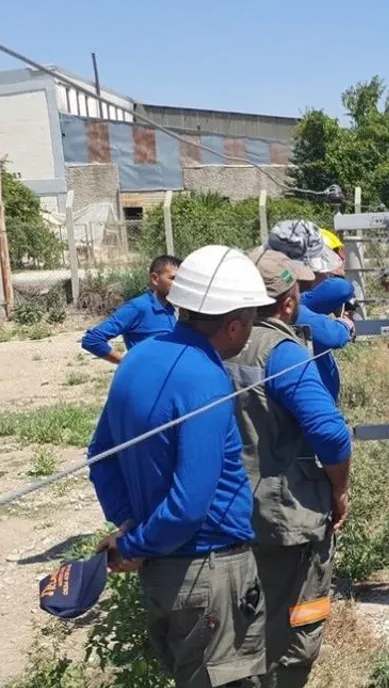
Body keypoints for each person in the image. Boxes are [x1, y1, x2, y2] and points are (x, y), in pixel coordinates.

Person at [86, 245, 274, 688]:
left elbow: (101, 455)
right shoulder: (205, 378)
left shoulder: (140, 357)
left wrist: (130, 524)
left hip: (164, 579)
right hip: (209, 573)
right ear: (234, 325)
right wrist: (133, 544)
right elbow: (190, 505)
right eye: (251, 321)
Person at [229, 248, 354, 688]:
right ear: (287, 303)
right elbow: (331, 434)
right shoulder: (281, 353)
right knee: (294, 624)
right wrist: (339, 489)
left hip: (223, 513)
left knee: (236, 628)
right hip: (282, 515)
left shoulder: (211, 344)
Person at [268, 220, 354, 400]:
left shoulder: (295, 296)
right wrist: (344, 325)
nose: (325, 273)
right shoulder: (289, 305)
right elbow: (332, 335)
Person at [81, 254, 180, 364]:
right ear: (155, 279)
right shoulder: (137, 307)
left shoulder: (171, 308)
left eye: (181, 279)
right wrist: (127, 364)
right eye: (173, 278)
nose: (179, 284)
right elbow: (92, 340)